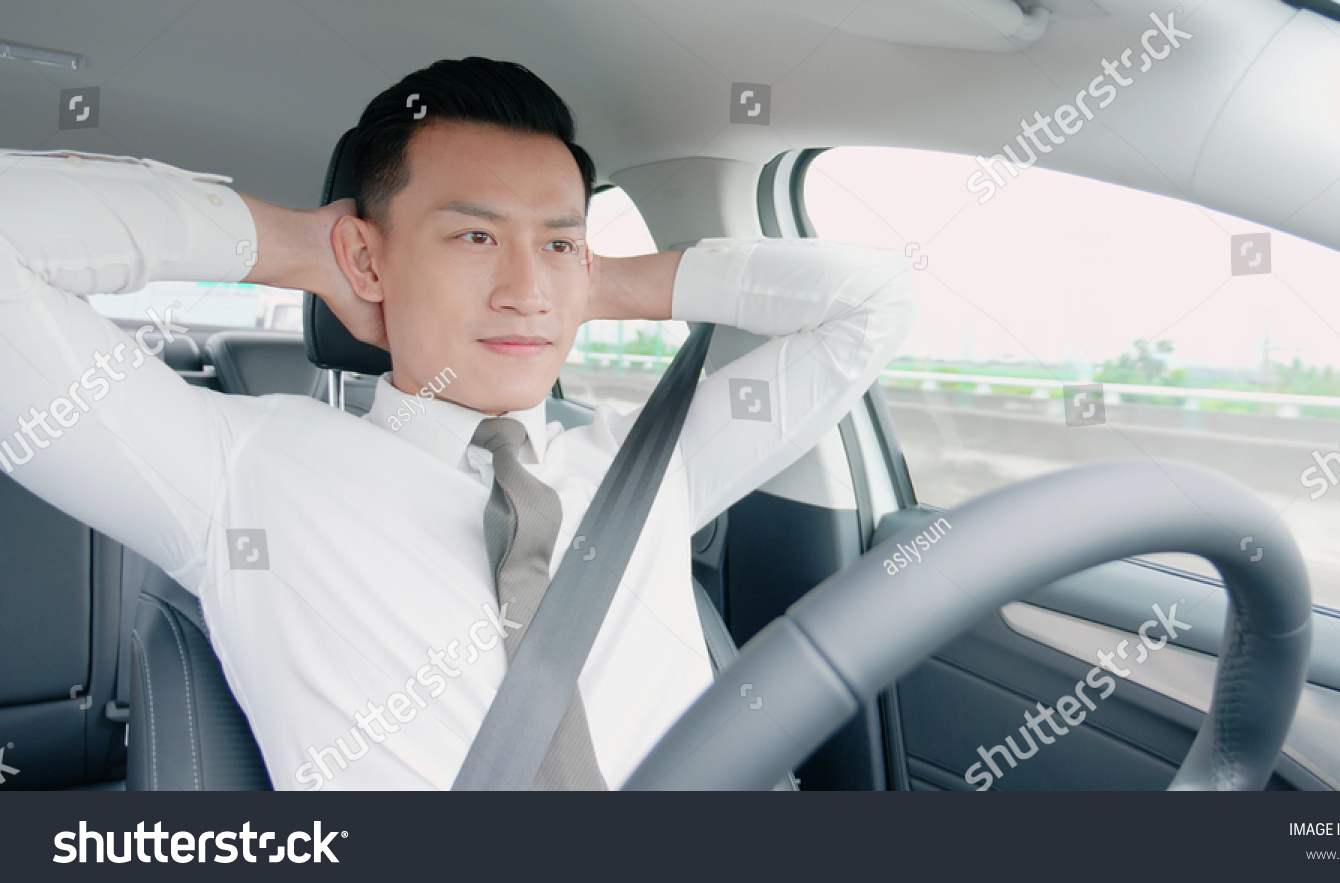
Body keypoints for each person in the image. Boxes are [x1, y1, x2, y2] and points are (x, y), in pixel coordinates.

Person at [0, 57, 916, 789]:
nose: (526, 291)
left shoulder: (646, 466)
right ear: (367, 254)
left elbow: (874, 303)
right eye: (475, 236)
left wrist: (606, 281)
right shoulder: (242, 474)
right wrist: (298, 247)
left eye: (556, 241)